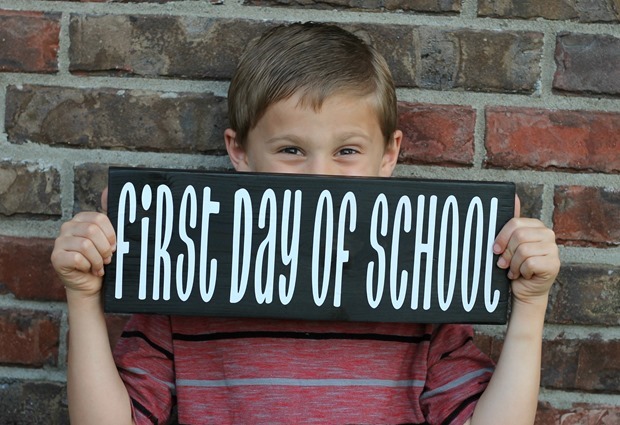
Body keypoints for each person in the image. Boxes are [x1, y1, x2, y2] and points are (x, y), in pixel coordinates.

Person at [51, 22, 560, 425]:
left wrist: (530, 309)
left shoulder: (424, 286)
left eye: (346, 151)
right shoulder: (185, 278)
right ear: (240, 152)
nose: (320, 177)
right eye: (291, 150)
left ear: (388, 155)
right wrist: (83, 296)